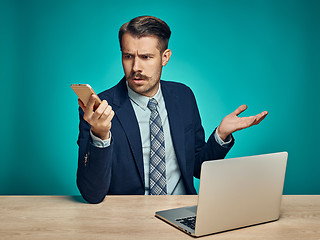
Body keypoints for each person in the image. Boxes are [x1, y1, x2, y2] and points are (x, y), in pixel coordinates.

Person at [76, 16, 268, 204]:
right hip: (129, 219)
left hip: (182, 211)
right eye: (128, 56)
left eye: (146, 57)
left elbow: (197, 168)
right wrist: (100, 135)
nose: (136, 67)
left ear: (165, 57)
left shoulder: (183, 96)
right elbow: (92, 194)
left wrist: (221, 134)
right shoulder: (100, 108)